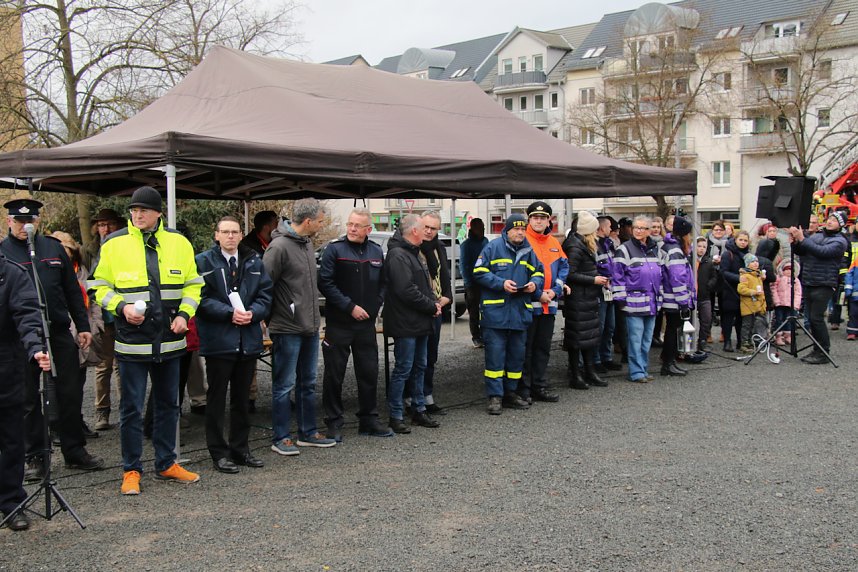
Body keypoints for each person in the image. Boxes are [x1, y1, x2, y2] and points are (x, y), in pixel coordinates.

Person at [89, 186, 203, 494]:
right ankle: (131, 470)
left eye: (144, 210)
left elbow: (194, 285)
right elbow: (98, 285)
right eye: (134, 210)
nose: (138, 215)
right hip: (132, 343)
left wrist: (184, 315)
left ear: (158, 213)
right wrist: (122, 307)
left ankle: (167, 463)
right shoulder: (114, 244)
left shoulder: (178, 242)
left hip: (171, 342)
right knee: (131, 409)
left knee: (168, 405)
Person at [1, 199, 102, 482]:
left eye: (29, 221)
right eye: (19, 222)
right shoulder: (4, 253)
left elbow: (72, 290)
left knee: (69, 391)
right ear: (9, 222)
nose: (25, 226)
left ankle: (74, 449)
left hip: (57, 331)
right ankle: (35, 456)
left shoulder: (51, 248)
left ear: (38, 221)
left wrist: (82, 325)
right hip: (21, 337)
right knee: (29, 398)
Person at [195, 216, 272, 474]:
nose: (230, 236)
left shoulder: (254, 261)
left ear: (241, 235)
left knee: (243, 400)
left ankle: (241, 449)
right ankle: (218, 452)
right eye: (225, 232)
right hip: (219, 341)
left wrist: (254, 312)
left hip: (248, 340)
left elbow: (265, 294)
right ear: (216, 235)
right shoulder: (203, 261)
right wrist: (229, 313)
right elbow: (200, 298)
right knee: (216, 400)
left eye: (234, 232)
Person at [263, 198, 337, 454]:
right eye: (319, 221)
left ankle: (307, 432)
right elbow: (265, 286)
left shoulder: (305, 244)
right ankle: (281, 437)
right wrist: (273, 317)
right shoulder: (279, 247)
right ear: (308, 221)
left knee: (308, 382)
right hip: (287, 328)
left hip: (309, 326)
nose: (321, 225)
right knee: (284, 385)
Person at [318, 208, 392, 442]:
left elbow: (383, 283)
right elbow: (326, 284)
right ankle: (334, 422)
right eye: (350, 224)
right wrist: (350, 307)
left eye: (357, 225)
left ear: (368, 229)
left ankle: (369, 419)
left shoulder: (375, 250)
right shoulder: (335, 250)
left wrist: (375, 305)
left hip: (366, 325)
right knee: (334, 375)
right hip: (339, 324)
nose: (351, 228)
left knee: (369, 373)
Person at [0, 252, 51, 531]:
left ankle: (11, 503)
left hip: (6, 370)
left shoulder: (12, 274)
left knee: (11, 442)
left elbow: (28, 316)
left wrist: (35, 349)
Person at [473, 213, 544, 414]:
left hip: (519, 313)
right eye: (516, 229)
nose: (520, 232)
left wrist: (534, 284)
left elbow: (539, 272)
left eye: (523, 229)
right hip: (495, 314)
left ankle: (510, 393)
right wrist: (500, 283)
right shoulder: (493, 247)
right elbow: (478, 272)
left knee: (516, 358)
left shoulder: (528, 249)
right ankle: (495, 397)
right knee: (495, 358)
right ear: (507, 230)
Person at [382, 214, 442, 432]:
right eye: (423, 227)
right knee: (403, 369)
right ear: (414, 231)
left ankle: (419, 410)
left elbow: (421, 286)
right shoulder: (398, 255)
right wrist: (431, 305)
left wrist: (432, 303)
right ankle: (396, 415)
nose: (427, 232)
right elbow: (405, 290)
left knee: (419, 367)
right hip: (405, 323)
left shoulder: (414, 253)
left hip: (419, 322)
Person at [788, 211, 850, 364]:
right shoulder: (817, 236)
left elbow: (822, 252)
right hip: (809, 281)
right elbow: (803, 251)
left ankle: (824, 351)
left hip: (824, 284)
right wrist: (795, 243)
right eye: (829, 218)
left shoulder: (840, 241)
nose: (830, 221)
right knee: (811, 318)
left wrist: (803, 239)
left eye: (834, 220)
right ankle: (816, 350)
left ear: (841, 225)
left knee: (816, 319)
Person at [521, 201, 567, 403]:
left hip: (549, 305)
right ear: (528, 219)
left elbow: (564, 269)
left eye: (542, 217)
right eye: (534, 217)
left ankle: (539, 385)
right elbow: (519, 272)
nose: (538, 221)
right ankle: (524, 388)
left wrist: (556, 290)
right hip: (529, 305)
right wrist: (538, 294)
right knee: (525, 349)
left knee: (543, 348)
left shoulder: (554, 242)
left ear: (549, 219)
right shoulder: (523, 241)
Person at [612, 215, 662, 383]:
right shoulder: (624, 249)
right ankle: (636, 372)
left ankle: (643, 368)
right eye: (636, 228)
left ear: (649, 231)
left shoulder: (655, 249)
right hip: (633, 302)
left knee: (647, 339)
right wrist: (621, 299)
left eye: (643, 228)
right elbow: (617, 275)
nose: (639, 231)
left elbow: (660, 275)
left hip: (652, 302)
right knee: (635, 338)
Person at [562, 211, 607, 389]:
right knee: (576, 338)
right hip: (578, 298)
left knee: (589, 336)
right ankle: (576, 374)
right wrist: (593, 280)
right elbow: (570, 274)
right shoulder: (575, 246)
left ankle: (589, 372)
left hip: (587, 297)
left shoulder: (582, 244)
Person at [89, 209, 125, 431]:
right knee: (103, 366)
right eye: (101, 225)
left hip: (121, 315)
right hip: (101, 316)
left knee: (122, 365)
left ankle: (126, 411)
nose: (105, 229)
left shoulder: (124, 246)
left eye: (109, 224)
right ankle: (102, 411)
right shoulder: (90, 250)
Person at [239, 210, 278, 413]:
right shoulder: (247, 248)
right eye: (275, 224)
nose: (278, 228)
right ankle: (249, 396)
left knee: (277, 352)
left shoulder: (274, 244)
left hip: (274, 308)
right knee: (251, 353)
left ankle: (280, 394)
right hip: (253, 309)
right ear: (267, 227)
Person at [418, 210, 452, 415]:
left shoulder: (439, 247)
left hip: (437, 308)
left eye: (433, 228)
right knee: (414, 358)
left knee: (431, 355)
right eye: (426, 227)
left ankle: (427, 395)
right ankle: (411, 397)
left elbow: (445, 275)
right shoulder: (410, 247)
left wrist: (446, 297)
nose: (429, 232)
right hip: (418, 310)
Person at [659, 216, 695, 376]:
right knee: (672, 331)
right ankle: (668, 363)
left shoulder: (671, 247)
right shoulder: (675, 250)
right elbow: (677, 277)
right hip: (674, 299)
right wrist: (684, 302)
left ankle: (670, 361)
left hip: (671, 297)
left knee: (672, 330)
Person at [595, 216, 621, 372]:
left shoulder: (609, 244)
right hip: (600, 291)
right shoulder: (594, 245)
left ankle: (606, 357)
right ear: (602, 227)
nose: (611, 229)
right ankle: (596, 360)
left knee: (610, 327)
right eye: (609, 226)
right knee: (600, 327)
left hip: (611, 291)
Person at [718, 229, 751, 352]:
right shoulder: (728, 254)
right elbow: (723, 272)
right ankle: (727, 342)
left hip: (743, 291)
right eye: (740, 240)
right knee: (728, 317)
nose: (743, 242)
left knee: (741, 318)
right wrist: (738, 278)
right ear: (735, 240)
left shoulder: (748, 255)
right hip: (729, 290)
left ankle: (740, 341)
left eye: (745, 240)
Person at [459, 218, 488, 348]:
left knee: (487, 310)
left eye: (483, 227)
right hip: (473, 284)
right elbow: (464, 266)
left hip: (486, 282)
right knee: (474, 312)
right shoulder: (466, 245)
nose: (482, 230)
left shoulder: (486, 242)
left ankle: (486, 335)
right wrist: (468, 284)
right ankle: (476, 337)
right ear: (473, 228)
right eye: (479, 227)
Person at [736, 254, 768, 353]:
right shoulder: (745, 276)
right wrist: (753, 292)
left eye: (756, 261)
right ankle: (744, 343)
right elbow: (741, 289)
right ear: (747, 264)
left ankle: (751, 342)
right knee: (747, 325)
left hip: (757, 305)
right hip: (748, 306)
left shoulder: (757, 275)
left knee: (755, 324)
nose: (755, 263)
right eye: (752, 262)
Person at [695, 237, 718, 352]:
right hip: (692, 296)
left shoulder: (708, 262)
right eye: (699, 246)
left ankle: (702, 341)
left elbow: (714, 276)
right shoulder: (690, 260)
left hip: (705, 296)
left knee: (706, 319)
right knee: (689, 321)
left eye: (704, 247)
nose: (701, 249)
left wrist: (709, 285)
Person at [772, 260, 802, 345]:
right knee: (779, 320)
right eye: (786, 269)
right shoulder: (778, 278)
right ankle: (778, 336)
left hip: (790, 304)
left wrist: (796, 304)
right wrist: (776, 301)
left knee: (789, 320)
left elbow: (798, 293)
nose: (788, 271)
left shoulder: (796, 280)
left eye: (790, 269)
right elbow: (774, 289)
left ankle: (788, 335)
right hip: (780, 304)